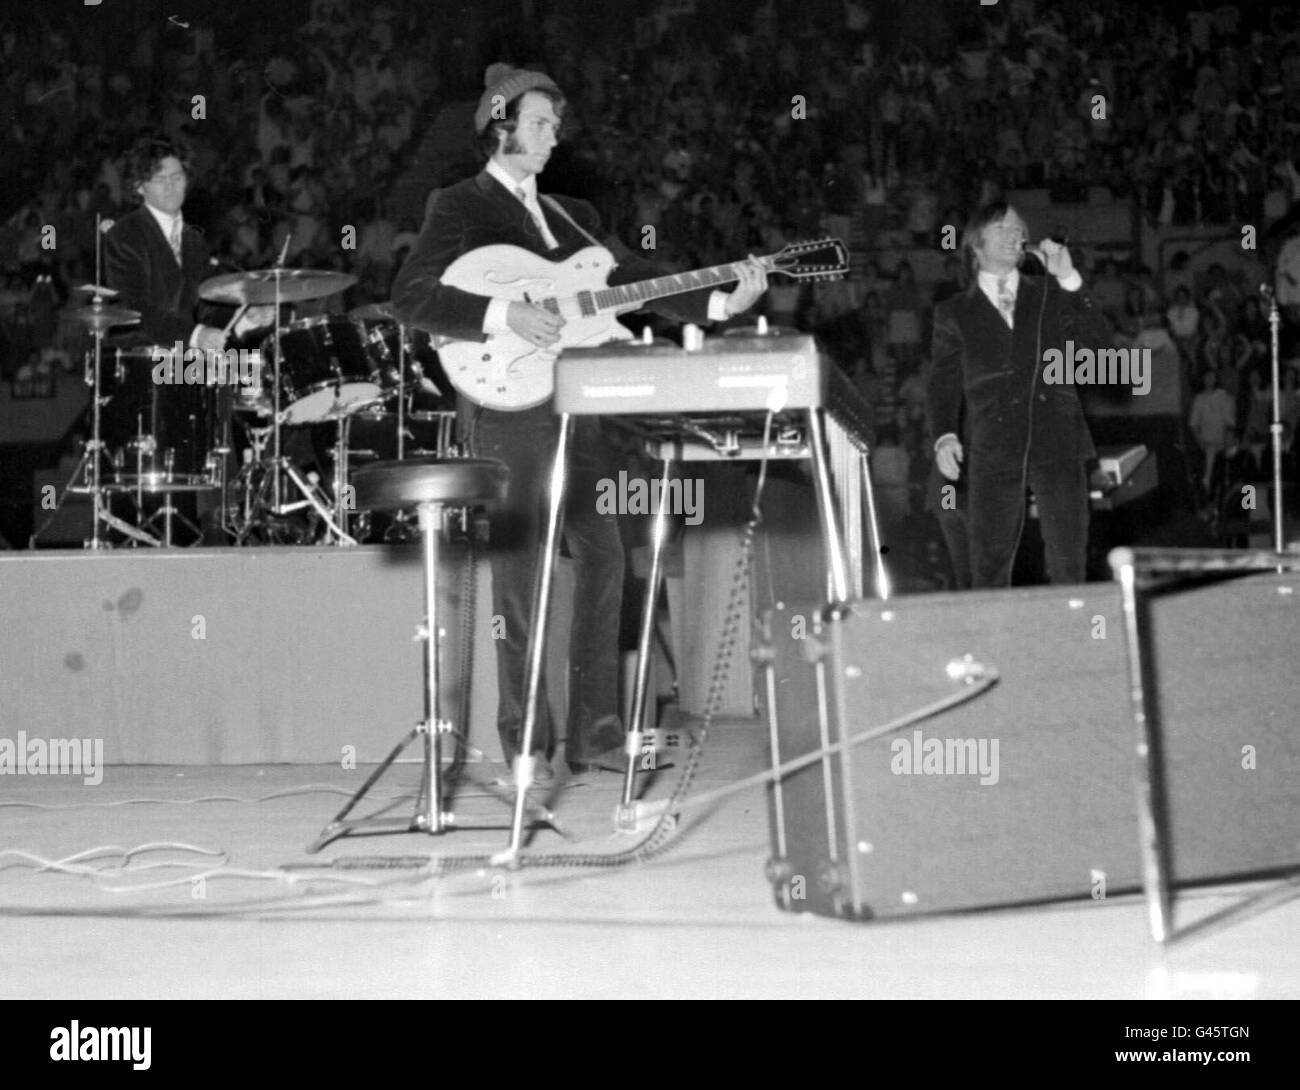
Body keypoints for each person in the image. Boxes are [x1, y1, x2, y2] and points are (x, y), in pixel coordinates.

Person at [393, 66, 766, 782]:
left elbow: (634, 279)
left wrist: (721, 301)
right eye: (540, 124)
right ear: (499, 127)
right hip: (509, 405)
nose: (554, 137)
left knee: (603, 557)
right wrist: (504, 314)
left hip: (581, 406)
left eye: (556, 126)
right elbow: (410, 295)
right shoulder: (460, 205)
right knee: (522, 576)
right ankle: (527, 744)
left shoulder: (576, 216)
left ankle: (595, 733)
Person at [926, 201, 1110, 588]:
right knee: (989, 566)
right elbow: (943, 383)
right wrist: (944, 435)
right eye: (1002, 228)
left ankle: (1077, 638)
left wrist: (1070, 279)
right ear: (975, 245)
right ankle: (996, 644)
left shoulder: (1050, 291)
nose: (1016, 235)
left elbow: (1100, 350)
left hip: (1058, 437)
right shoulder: (953, 312)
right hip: (992, 445)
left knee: (1068, 560)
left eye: (1019, 229)